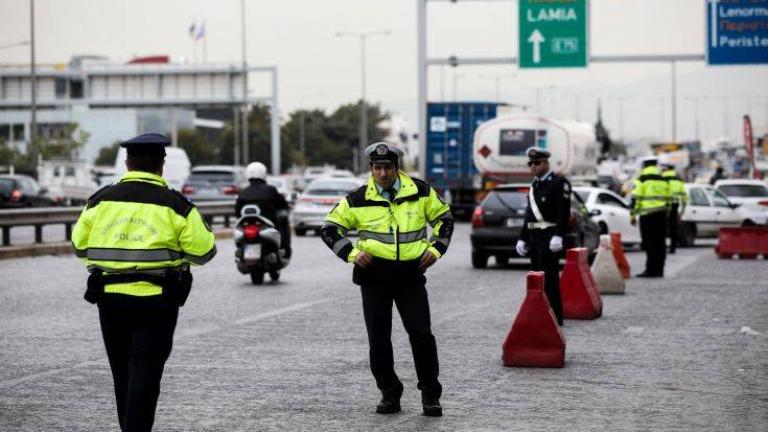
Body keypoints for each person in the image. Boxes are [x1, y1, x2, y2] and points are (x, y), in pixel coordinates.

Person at [71, 133, 216, 432]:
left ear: (127, 163)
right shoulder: (177, 205)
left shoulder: (100, 201)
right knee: (146, 374)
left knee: (121, 374)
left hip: (109, 299)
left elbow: (79, 246)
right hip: (157, 301)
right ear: (161, 166)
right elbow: (204, 252)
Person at [320, 142, 454, 417]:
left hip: (410, 275)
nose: (383, 173)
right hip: (374, 276)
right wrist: (351, 253)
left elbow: (445, 219)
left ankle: (430, 395)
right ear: (371, 168)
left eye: (388, 167)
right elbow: (330, 228)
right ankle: (389, 393)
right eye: (377, 168)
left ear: (396, 168)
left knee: (421, 335)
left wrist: (436, 249)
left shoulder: (420, 191)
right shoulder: (357, 198)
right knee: (378, 339)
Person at [515, 147, 570, 326]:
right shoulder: (534, 185)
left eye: (537, 163)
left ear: (546, 163)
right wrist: (522, 237)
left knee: (550, 278)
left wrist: (559, 235)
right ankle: (539, 313)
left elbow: (563, 212)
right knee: (536, 277)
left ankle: (555, 315)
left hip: (549, 235)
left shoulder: (559, 182)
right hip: (535, 237)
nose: (533, 166)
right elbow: (529, 215)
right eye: (530, 163)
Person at [235, 162, 291, 259]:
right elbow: (282, 205)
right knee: (283, 222)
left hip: (247, 225)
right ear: (263, 173)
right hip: (267, 223)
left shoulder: (243, 192)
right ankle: (285, 250)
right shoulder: (270, 189)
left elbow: (237, 212)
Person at [630, 156, 671, 278]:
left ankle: (650, 270)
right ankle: (659, 270)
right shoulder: (663, 179)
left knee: (649, 243)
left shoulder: (642, 179)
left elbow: (635, 198)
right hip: (661, 215)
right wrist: (667, 214)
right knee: (660, 243)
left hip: (647, 216)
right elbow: (669, 199)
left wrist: (632, 215)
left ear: (645, 165)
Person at [662, 163, 686, 254]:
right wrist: (683, 209)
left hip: (664, 206)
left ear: (667, 169)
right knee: (673, 227)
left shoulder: (662, 178)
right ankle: (673, 248)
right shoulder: (679, 180)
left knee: (662, 228)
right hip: (675, 205)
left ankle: (663, 247)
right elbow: (684, 195)